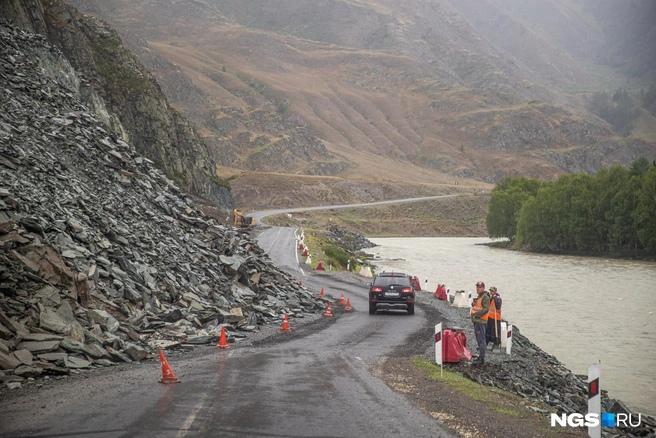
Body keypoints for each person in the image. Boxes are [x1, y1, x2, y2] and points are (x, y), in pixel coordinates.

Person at [470, 281, 490, 365]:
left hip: (481, 321)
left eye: (479, 287)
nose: (477, 288)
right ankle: (480, 357)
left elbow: (486, 309)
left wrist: (476, 315)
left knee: (481, 340)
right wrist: (473, 304)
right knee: (479, 340)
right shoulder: (480, 296)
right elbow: (478, 307)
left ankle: (481, 359)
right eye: (477, 287)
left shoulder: (485, 297)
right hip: (477, 321)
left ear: (483, 288)